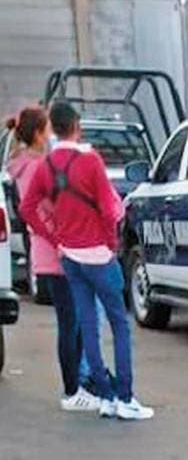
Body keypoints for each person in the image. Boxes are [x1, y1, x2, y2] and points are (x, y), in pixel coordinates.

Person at [20, 101, 154, 421]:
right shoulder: (91, 160)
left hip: (69, 257)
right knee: (119, 325)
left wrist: (53, 236)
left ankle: (106, 398)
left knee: (88, 327)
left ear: (53, 127)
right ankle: (125, 397)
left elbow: (27, 208)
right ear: (77, 126)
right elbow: (110, 210)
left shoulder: (46, 165)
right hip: (97, 253)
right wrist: (111, 243)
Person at [7, 107, 99, 410]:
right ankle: (73, 390)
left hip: (55, 251)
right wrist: (60, 234)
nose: (50, 134)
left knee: (74, 320)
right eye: (46, 128)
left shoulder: (28, 164)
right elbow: (41, 208)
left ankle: (77, 385)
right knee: (71, 321)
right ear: (37, 134)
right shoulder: (35, 168)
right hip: (58, 253)